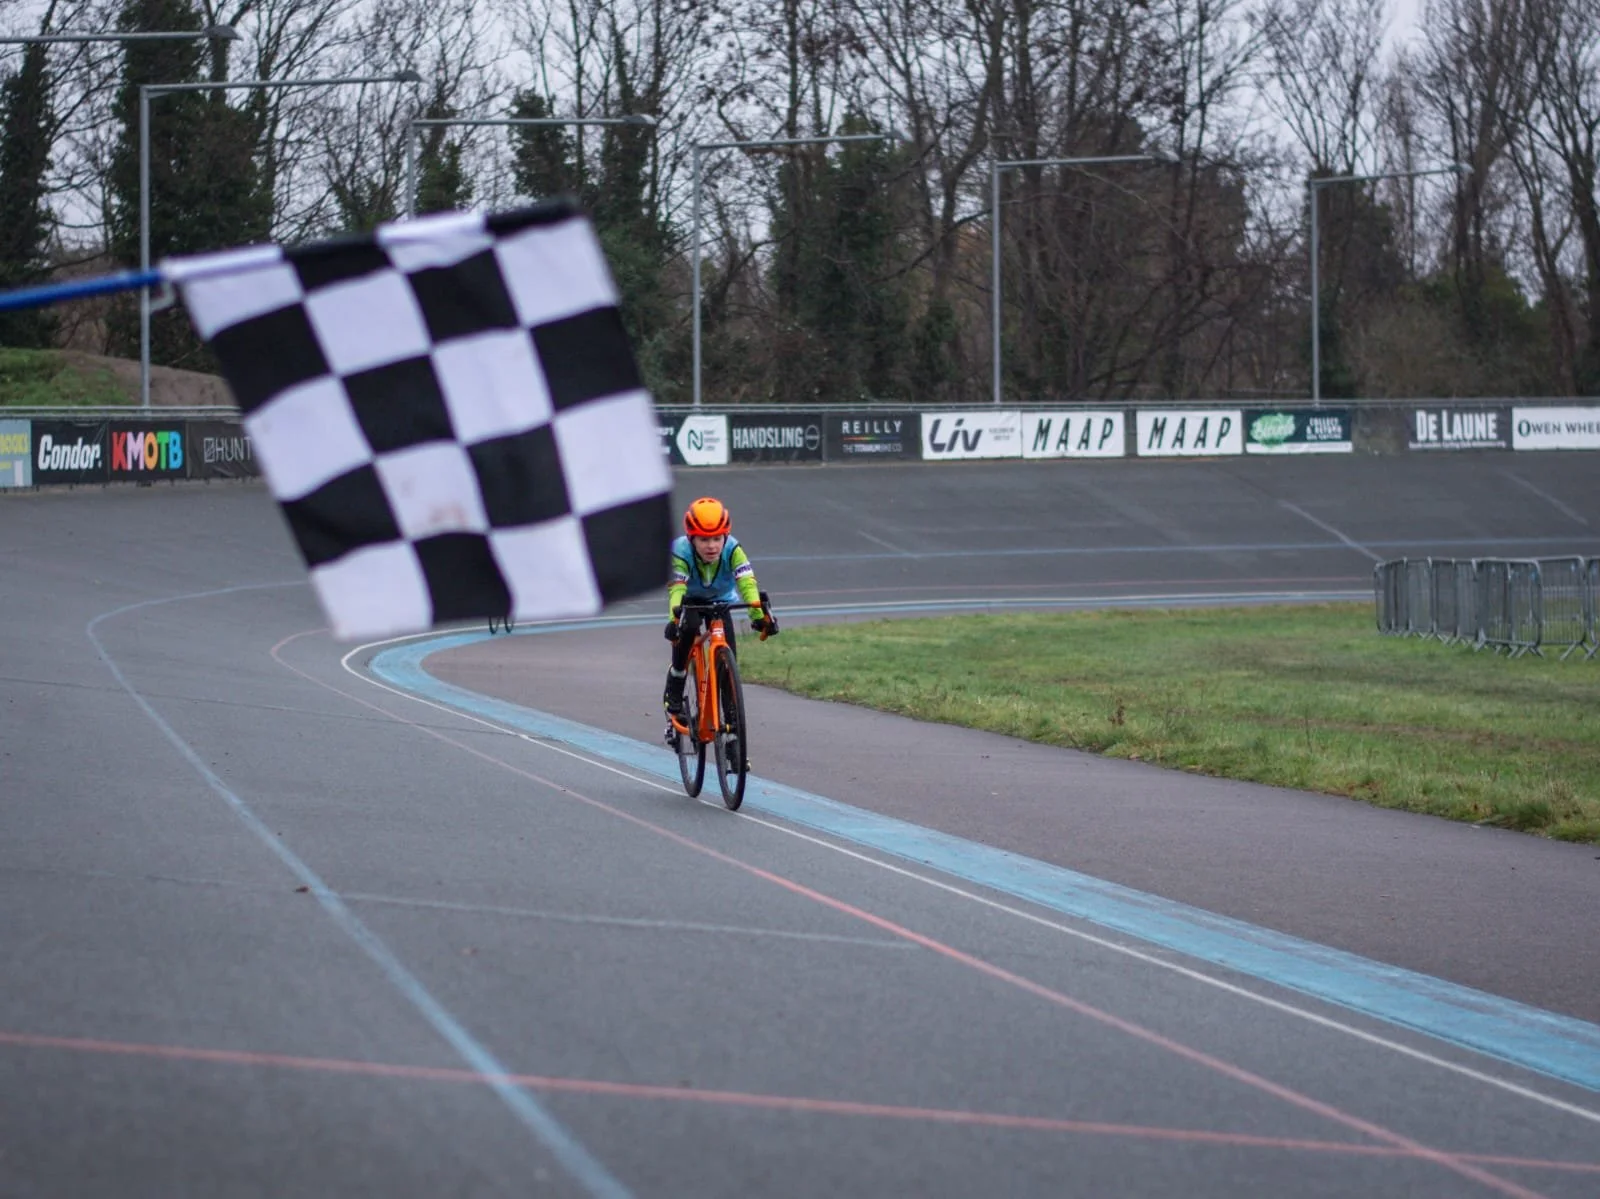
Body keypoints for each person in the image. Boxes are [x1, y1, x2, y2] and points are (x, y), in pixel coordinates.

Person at [662, 496, 775, 722]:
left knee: (728, 661)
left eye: (717, 538)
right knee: (688, 630)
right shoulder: (680, 551)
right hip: (689, 600)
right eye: (704, 539)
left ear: (725, 536)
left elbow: (747, 582)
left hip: (721, 601)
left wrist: (758, 615)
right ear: (691, 539)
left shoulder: (733, 549)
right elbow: (677, 589)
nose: (712, 546)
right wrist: (674, 620)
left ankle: (732, 724)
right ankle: (676, 678)